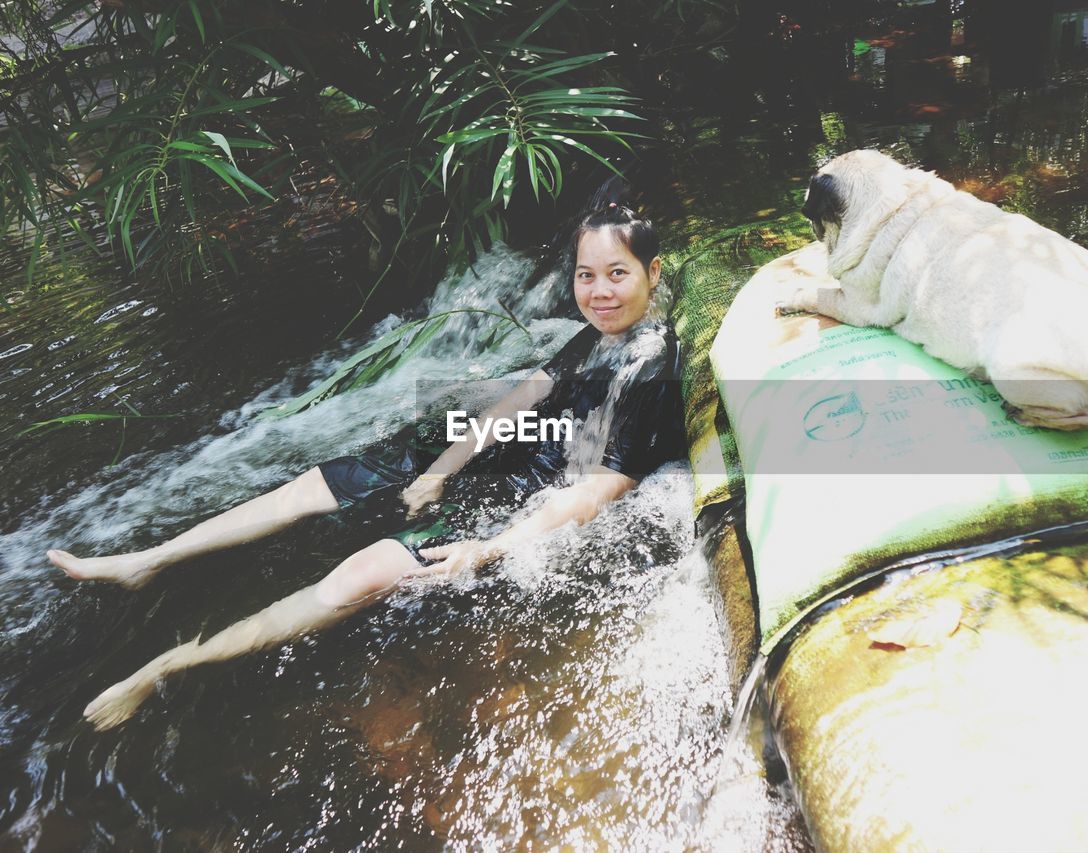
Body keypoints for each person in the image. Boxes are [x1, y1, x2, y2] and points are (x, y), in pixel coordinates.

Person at [47, 202, 686, 731]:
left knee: (361, 574)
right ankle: (148, 561)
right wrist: (440, 468)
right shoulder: (599, 335)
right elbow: (519, 400)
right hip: (515, 452)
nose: (598, 291)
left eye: (617, 274)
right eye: (584, 275)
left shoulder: (652, 368)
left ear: (651, 273)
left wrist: (489, 549)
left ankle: (168, 666)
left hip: (534, 492)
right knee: (314, 483)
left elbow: (595, 491)